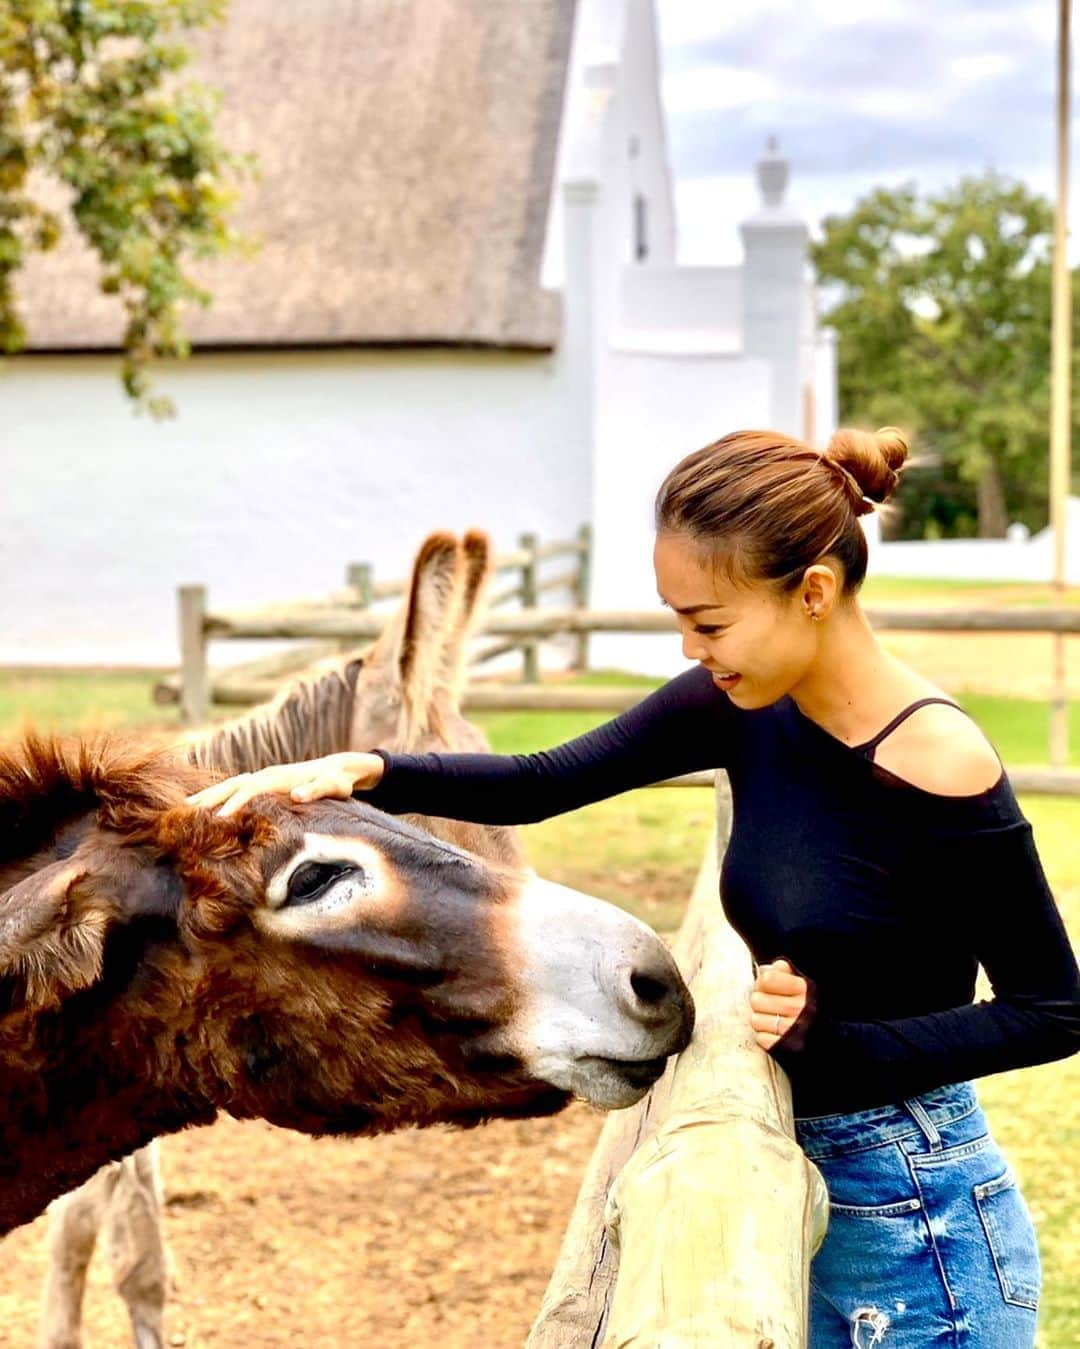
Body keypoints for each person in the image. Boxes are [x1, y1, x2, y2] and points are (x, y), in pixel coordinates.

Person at [189, 427, 1080, 1347]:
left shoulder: (938, 760)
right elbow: (544, 781)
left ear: (812, 592)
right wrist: (365, 770)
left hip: (915, 1219)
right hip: (808, 1181)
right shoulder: (740, 703)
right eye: (678, 618)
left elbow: (1055, 1009)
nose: (691, 647)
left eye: (708, 620)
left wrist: (840, 1044)